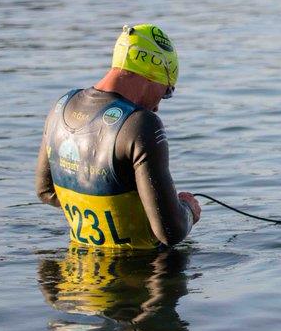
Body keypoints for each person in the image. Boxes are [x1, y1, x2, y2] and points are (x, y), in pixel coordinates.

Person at [36, 24, 200, 249]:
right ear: (151, 75)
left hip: (75, 276)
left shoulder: (62, 106)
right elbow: (170, 231)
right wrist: (188, 210)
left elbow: (46, 192)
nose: (158, 106)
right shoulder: (140, 124)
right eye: (167, 91)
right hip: (141, 275)